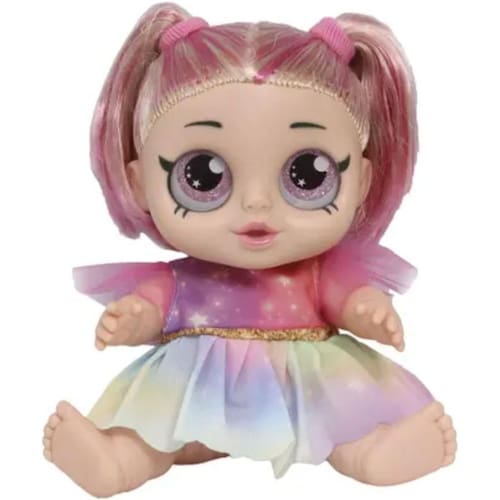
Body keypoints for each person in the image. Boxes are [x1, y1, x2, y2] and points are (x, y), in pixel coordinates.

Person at [42, 3, 457, 497]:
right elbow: (153, 309)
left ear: (362, 180)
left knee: (342, 424)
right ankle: (116, 461)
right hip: (198, 387)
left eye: (308, 175)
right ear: (140, 182)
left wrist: (367, 309)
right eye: (202, 175)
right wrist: (133, 318)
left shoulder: (318, 273)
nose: (256, 203)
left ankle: (374, 455)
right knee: (158, 432)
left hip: (305, 388)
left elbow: (346, 297)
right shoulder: (179, 280)